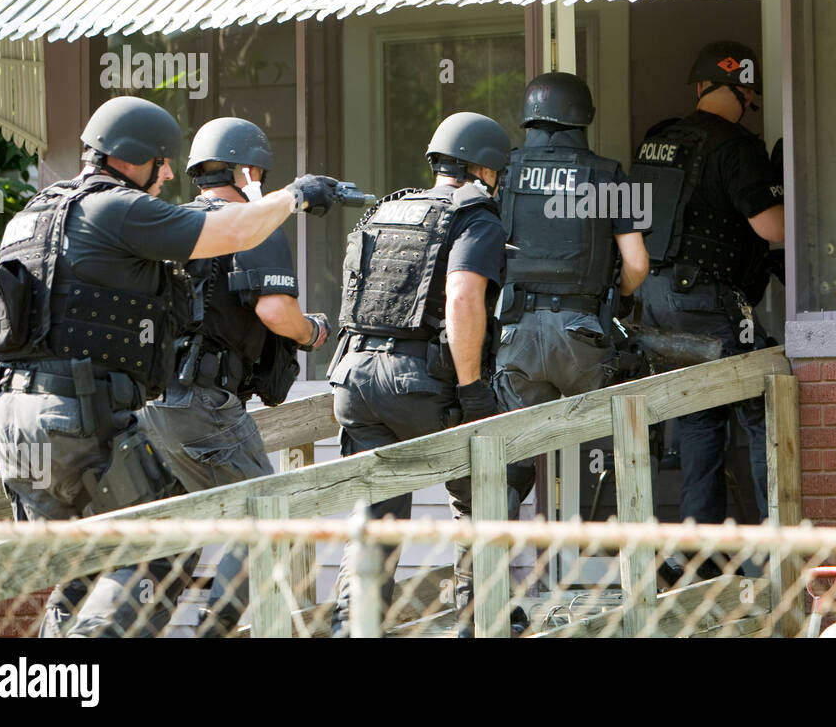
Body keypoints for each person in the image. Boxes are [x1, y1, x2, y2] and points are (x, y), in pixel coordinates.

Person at [0, 96, 341, 638]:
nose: (169, 173)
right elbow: (235, 233)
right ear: (127, 157)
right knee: (162, 554)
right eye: (161, 161)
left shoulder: (33, 215)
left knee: (82, 565)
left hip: (13, 425)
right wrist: (295, 196)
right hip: (80, 418)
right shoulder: (117, 208)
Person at [133, 117, 333, 637]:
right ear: (248, 170)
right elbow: (275, 312)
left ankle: (130, 629)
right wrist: (311, 332)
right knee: (270, 517)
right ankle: (214, 631)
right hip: (202, 407)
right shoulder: (253, 220)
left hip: (150, 407)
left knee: (171, 536)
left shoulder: (173, 224)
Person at [328, 111, 512, 637]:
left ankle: (352, 627)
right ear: (484, 167)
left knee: (375, 515)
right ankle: (478, 623)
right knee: (485, 490)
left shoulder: (388, 210)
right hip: (418, 382)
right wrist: (472, 386)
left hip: (352, 376)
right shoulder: (475, 215)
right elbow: (462, 296)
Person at [628, 40, 785, 560]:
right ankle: (776, 554)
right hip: (704, 300)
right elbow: (773, 228)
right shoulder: (736, 147)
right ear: (743, 91)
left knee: (697, 418)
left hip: (652, 298)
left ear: (699, 86)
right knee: (765, 405)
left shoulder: (657, 140)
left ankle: (697, 554)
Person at [493, 71, 650, 528]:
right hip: (583, 333)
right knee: (625, 445)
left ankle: (486, 588)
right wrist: (616, 295)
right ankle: (640, 573)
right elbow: (637, 263)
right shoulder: (609, 174)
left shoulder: (504, 173)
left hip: (516, 333)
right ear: (584, 117)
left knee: (510, 460)